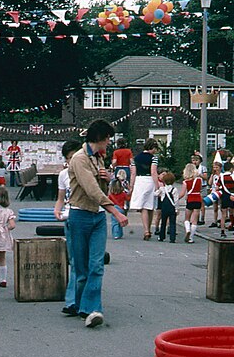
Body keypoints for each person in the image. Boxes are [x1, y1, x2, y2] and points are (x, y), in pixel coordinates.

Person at [62, 119, 129, 328]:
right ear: (99, 138)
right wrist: (116, 213)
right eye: (108, 138)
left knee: (97, 265)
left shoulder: (100, 158)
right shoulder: (80, 159)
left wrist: (108, 178)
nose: (109, 143)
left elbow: (102, 187)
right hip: (80, 215)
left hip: (98, 217)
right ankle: (78, 304)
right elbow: (91, 189)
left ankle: (91, 309)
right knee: (80, 268)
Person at [54, 139, 83, 316]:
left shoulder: (88, 170)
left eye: (74, 157)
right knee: (74, 261)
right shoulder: (64, 175)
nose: (72, 162)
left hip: (86, 216)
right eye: (69, 158)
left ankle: (81, 300)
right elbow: (61, 197)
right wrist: (57, 209)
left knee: (86, 263)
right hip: (70, 217)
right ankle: (72, 301)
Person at [128, 138, 160, 240]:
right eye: (155, 148)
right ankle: (148, 229)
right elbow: (153, 172)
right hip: (149, 180)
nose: (156, 150)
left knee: (143, 207)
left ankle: (146, 230)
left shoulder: (135, 158)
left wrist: (131, 186)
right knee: (150, 206)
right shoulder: (153, 158)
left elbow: (133, 173)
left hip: (139, 181)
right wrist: (157, 185)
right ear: (152, 147)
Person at [182, 163, 202, 243]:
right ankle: (191, 238)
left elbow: (183, 193)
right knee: (195, 220)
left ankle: (187, 229)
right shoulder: (199, 180)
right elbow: (199, 189)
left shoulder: (185, 182)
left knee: (187, 218)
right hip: (198, 199)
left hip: (190, 199)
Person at [156, 171, 178, 243]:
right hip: (172, 208)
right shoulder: (174, 189)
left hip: (164, 208)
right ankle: (172, 238)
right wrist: (176, 209)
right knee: (172, 223)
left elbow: (155, 194)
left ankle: (161, 236)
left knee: (163, 222)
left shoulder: (162, 189)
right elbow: (176, 200)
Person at [191, 152, 207, 225]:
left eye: (196, 160)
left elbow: (205, 177)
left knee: (202, 203)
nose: (195, 162)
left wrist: (199, 174)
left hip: (202, 186)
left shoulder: (203, 168)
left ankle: (202, 218)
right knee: (195, 203)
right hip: (194, 187)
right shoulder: (191, 168)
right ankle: (196, 219)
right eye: (193, 160)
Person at [207, 159, 223, 228]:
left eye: (217, 167)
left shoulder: (222, 175)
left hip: (220, 192)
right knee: (215, 208)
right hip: (214, 192)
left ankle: (222, 221)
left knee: (222, 207)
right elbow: (210, 183)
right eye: (214, 167)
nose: (215, 169)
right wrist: (211, 175)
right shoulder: (213, 176)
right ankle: (215, 221)